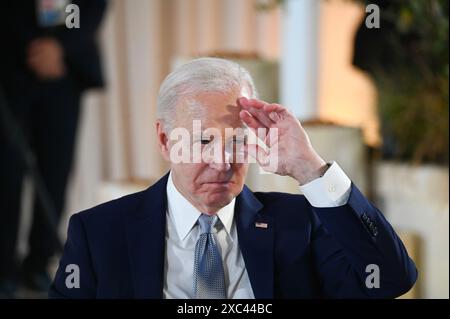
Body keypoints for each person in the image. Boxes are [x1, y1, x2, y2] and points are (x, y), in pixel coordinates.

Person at [49, 58, 417, 299]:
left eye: (238, 141)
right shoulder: (98, 233)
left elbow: (391, 279)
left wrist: (309, 168)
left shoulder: (300, 224)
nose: (223, 161)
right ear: (165, 140)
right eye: (203, 140)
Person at [0, 0, 107, 297]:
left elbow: (90, 6)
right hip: (12, 67)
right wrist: (35, 46)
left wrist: (59, 45)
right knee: (6, 173)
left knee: (55, 170)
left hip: (64, 71)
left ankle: (38, 262)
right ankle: (3, 267)